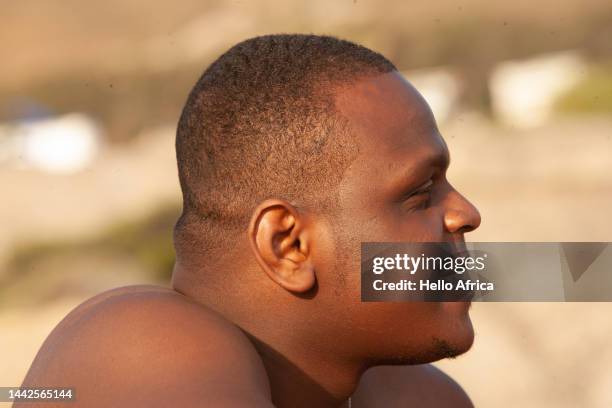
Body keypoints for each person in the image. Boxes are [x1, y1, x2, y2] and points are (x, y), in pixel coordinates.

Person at [18, 34, 481, 407]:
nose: (467, 213)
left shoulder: (409, 393)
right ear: (288, 245)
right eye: (420, 195)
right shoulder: (143, 343)